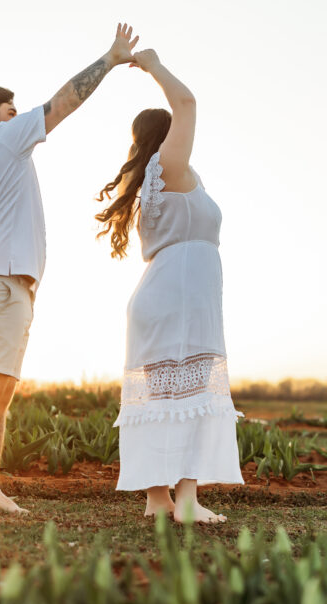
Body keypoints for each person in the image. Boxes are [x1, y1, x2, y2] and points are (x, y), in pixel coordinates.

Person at [0, 24, 140, 513]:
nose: (21, 119)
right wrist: (110, 59)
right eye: (11, 112)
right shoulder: (0, 141)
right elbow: (63, 102)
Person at [95, 48, 244, 523]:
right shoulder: (170, 169)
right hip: (179, 299)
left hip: (169, 297)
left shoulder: (153, 182)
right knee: (186, 395)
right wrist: (155, 66)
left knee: (167, 400)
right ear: (166, 138)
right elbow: (188, 104)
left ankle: (162, 501)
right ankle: (182, 501)